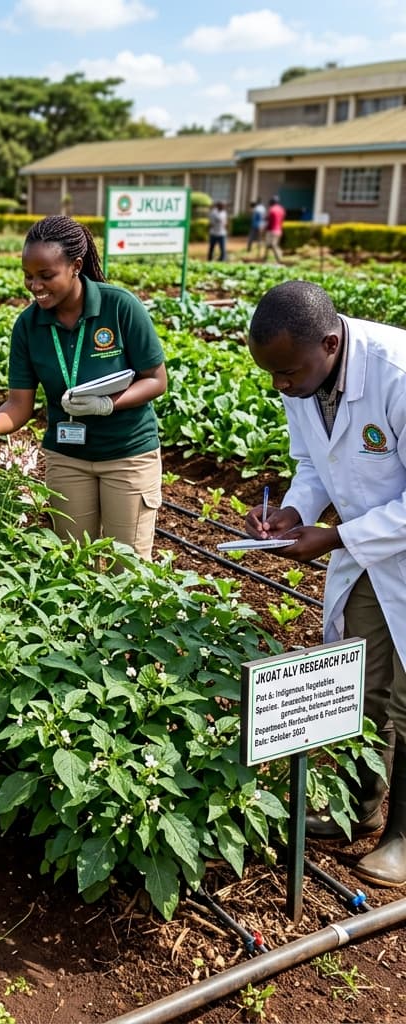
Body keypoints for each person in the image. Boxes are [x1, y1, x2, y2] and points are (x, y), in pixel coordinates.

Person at [244, 280, 406, 886]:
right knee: (366, 684)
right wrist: (294, 511)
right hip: (372, 555)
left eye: (287, 373)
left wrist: (334, 536)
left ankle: (403, 836)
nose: (281, 386)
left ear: (331, 345)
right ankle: (359, 809)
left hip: (381, 542)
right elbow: (313, 460)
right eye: (272, 375)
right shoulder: (303, 375)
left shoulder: (396, 373)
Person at [0, 215, 168, 558]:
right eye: (28, 275)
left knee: (127, 567)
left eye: (46, 275)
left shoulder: (119, 306)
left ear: (76, 267)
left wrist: (108, 404)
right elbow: (19, 405)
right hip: (68, 458)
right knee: (72, 563)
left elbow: (156, 380)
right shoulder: (28, 325)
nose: (34, 285)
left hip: (127, 455)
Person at [263, 194, 285, 263]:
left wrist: (265, 229)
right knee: (269, 245)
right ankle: (265, 259)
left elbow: (269, 220)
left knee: (273, 245)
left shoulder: (272, 209)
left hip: (272, 230)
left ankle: (279, 259)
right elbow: (282, 220)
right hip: (279, 230)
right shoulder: (281, 209)